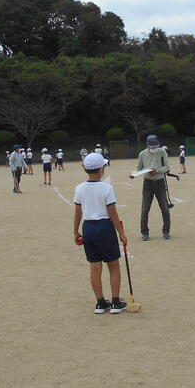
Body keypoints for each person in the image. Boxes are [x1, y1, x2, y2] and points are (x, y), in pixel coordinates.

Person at [73, 152, 128, 314]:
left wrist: (75, 231)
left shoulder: (79, 188)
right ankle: (116, 301)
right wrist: (121, 233)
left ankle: (100, 302)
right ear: (101, 169)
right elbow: (112, 213)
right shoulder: (106, 188)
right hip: (104, 227)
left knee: (95, 267)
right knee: (113, 265)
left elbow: (78, 212)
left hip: (88, 228)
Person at [130, 134, 171, 241]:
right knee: (145, 209)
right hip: (147, 183)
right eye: (152, 147)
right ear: (147, 145)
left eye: (155, 146)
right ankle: (144, 232)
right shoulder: (142, 154)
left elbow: (167, 167)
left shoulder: (162, 152)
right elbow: (139, 167)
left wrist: (158, 171)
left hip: (160, 182)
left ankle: (166, 231)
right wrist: (134, 174)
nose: (154, 149)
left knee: (165, 208)